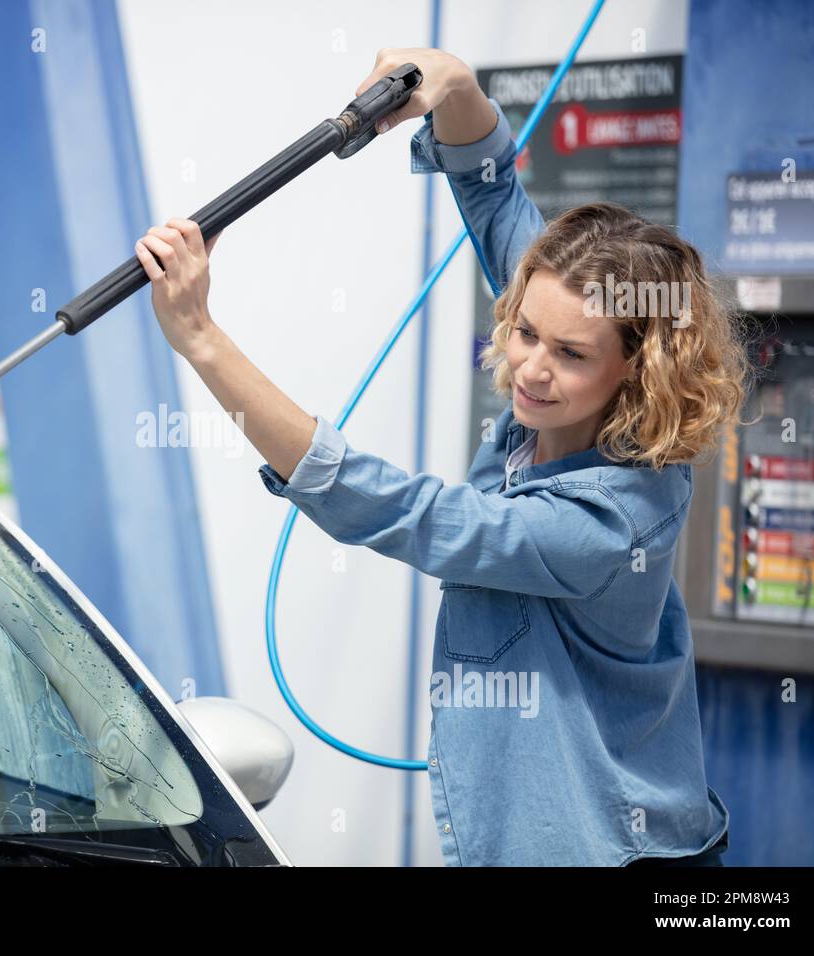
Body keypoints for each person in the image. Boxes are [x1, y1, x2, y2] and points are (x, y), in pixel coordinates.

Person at [133, 47, 755, 866]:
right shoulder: (575, 388)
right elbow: (498, 201)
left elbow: (403, 512)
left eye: (569, 354)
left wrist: (202, 342)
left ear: (637, 366)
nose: (530, 366)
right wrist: (455, 87)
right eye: (524, 330)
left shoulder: (608, 518)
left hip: (605, 848)